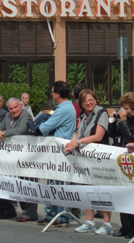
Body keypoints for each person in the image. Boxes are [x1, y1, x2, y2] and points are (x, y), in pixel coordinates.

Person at [65, 89, 112, 235]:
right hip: (85, 157)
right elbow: (78, 131)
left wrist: (78, 142)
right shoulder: (83, 115)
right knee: (87, 188)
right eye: (85, 101)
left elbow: (98, 136)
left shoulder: (101, 113)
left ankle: (107, 223)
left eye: (91, 100)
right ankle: (89, 221)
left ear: (96, 100)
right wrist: (72, 141)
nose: (88, 103)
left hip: (100, 157)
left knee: (102, 190)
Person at [36, 81, 76, 227]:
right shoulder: (65, 107)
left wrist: (38, 126)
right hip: (55, 151)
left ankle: (62, 215)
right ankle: (52, 213)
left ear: (58, 94)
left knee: (60, 184)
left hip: (61, 151)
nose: (51, 94)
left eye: (52, 92)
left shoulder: (63, 109)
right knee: (52, 182)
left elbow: (45, 128)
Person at [108, 92, 134, 238]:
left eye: (128, 108)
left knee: (133, 194)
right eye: (124, 107)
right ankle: (125, 226)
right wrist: (112, 120)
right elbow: (112, 134)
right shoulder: (126, 119)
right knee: (122, 192)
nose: (126, 111)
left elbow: (132, 137)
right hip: (123, 158)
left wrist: (123, 121)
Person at [0, 97, 33, 220]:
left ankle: (29, 212)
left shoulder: (26, 115)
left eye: (15, 107)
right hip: (10, 156)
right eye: (10, 109)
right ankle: (7, 209)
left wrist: (4, 133)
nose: (13, 110)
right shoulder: (8, 116)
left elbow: (21, 130)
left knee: (26, 184)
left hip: (25, 156)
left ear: (21, 106)